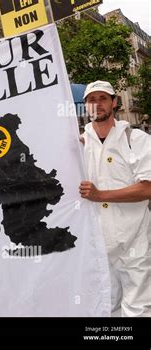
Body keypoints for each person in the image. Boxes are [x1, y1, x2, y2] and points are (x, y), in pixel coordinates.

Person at [79, 80, 151, 317]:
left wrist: (100, 195)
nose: (96, 104)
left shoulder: (136, 139)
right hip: (96, 241)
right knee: (106, 306)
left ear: (114, 102)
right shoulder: (78, 144)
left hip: (134, 239)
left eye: (102, 98)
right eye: (91, 99)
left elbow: (147, 188)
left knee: (138, 309)